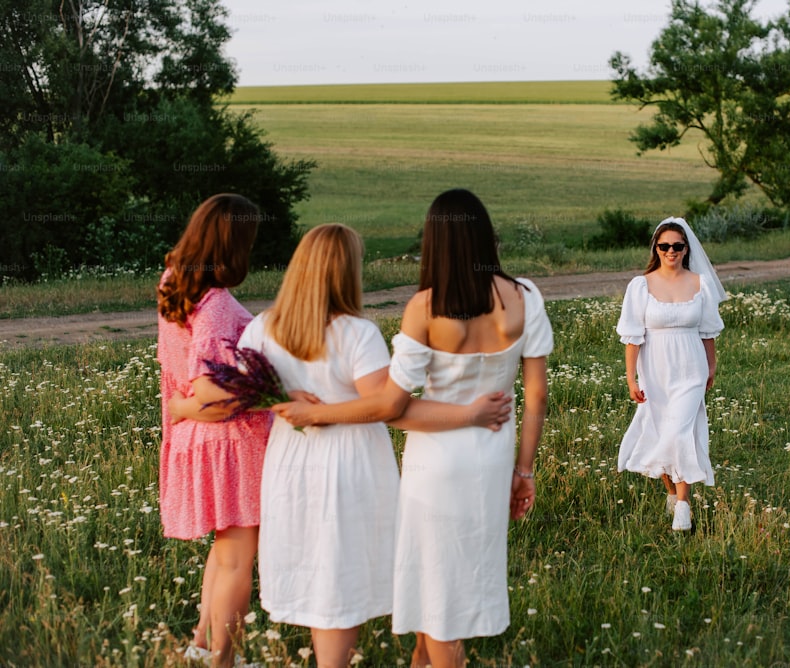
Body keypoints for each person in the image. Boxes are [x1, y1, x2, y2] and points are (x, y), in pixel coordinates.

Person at [273, 189, 553, 668]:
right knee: (456, 573)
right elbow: (538, 397)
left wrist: (317, 413)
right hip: (493, 454)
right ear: (486, 236)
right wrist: (523, 470)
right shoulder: (525, 296)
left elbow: (391, 406)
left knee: (440, 582)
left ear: (434, 244)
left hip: (437, 461)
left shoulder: (425, 307)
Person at [157, 193, 272, 667]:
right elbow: (209, 388)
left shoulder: (174, 284)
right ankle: (224, 659)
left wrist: (179, 404)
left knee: (225, 552)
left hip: (199, 442)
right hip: (230, 443)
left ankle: (202, 648)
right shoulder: (218, 303)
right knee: (238, 558)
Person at [615, 217, 726, 532]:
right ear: (656, 248)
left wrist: (712, 366)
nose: (671, 251)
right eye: (664, 246)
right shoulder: (641, 285)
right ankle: (671, 492)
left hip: (691, 368)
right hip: (655, 369)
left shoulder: (699, 283)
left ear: (686, 248)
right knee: (661, 433)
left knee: (680, 433)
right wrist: (631, 379)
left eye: (677, 246)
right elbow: (633, 336)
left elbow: (707, 332)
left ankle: (683, 507)